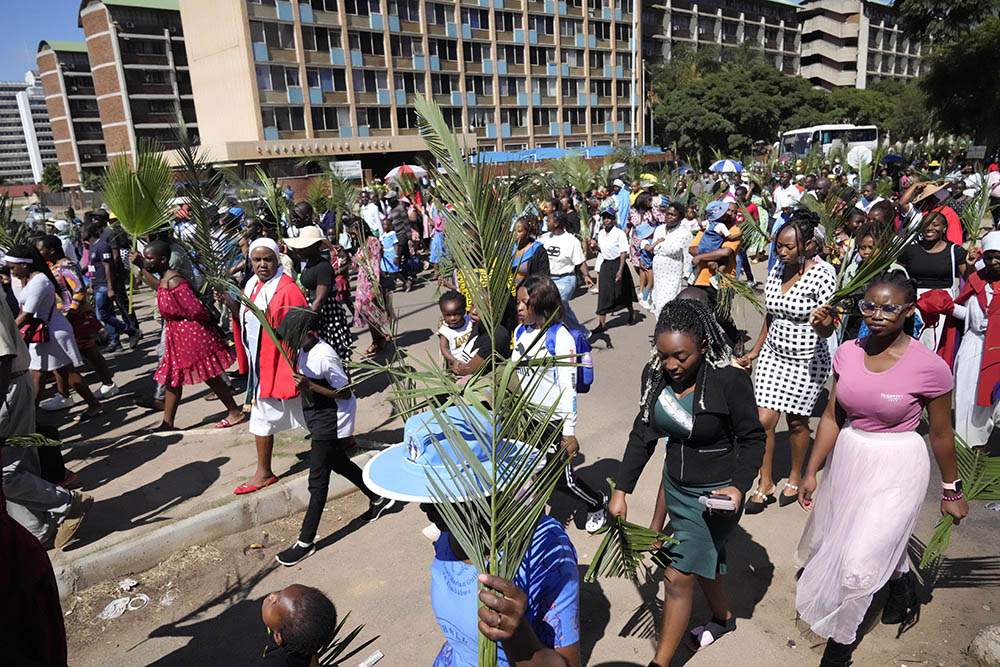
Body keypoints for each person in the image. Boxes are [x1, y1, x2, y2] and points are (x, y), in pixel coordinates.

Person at [795, 271, 968, 667]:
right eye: (868, 305)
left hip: (899, 465)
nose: (877, 314)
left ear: (909, 310)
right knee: (863, 540)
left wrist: (951, 490)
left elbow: (941, 434)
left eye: (889, 307)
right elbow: (833, 416)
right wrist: (811, 470)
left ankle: (840, 645)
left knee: (857, 563)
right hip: (852, 457)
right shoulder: (848, 352)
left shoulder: (930, 367)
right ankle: (902, 584)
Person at [609, 298, 765, 666]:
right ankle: (723, 620)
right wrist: (621, 492)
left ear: (704, 347)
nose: (672, 366)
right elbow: (642, 436)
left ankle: (659, 663)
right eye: (663, 356)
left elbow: (753, 438)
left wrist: (740, 486)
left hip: (715, 498)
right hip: (676, 487)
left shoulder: (729, 379)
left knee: (677, 577)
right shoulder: (655, 377)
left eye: (681, 356)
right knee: (700, 562)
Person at [362, 416, 582, 666]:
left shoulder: (545, 546)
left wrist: (517, 636)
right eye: (424, 492)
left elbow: (568, 662)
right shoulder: (449, 533)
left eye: (440, 496)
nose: (423, 506)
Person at [273, 311, 395, 566]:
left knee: (317, 483)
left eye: (291, 335)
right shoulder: (303, 349)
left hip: (331, 417)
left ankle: (305, 542)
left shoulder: (324, 355)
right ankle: (379, 496)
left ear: (307, 333)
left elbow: (345, 391)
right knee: (338, 462)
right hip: (317, 414)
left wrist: (310, 387)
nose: (288, 341)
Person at [738, 214, 836, 513]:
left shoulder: (824, 274)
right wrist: (755, 350)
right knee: (763, 421)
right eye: (778, 246)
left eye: (788, 247)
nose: (781, 252)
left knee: (796, 422)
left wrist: (822, 323)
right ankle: (765, 482)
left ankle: (794, 476)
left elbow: (829, 328)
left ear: (808, 245)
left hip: (806, 359)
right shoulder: (778, 268)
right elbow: (773, 314)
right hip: (773, 354)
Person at [513, 275, 607, 533]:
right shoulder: (520, 331)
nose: (519, 308)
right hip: (528, 417)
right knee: (530, 471)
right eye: (518, 302)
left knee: (562, 481)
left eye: (525, 302)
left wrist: (568, 432)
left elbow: (568, 389)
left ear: (542, 304)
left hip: (553, 421)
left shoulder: (559, 337)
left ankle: (597, 501)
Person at [217, 238, 309, 495]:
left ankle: (339, 442)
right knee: (263, 416)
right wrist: (229, 302)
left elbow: (301, 328)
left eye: (267, 259)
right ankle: (264, 471)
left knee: (309, 409)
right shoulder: (252, 284)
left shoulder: (287, 289)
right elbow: (247, 320)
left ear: (277, 259)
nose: (261, 265)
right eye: (256, 260)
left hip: (283, 363)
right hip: (263, 367)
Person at [130, 241, 244, 432]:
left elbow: (196, 310)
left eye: (150, 258)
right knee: (173, 378)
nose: (147, 260)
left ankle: (234, 412)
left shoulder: (176, 281)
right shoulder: (166, 279)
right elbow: (158, 288)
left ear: (163, 260)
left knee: (209, 376)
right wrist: (142, 268)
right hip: (177, 336)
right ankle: (167, 423)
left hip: (191, 335)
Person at [6, 245, 104, 423]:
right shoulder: (32, 279)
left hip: (53, 332)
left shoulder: (39, 281)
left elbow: (27, 313)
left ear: (25, 265)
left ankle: (31, 416)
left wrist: (8, 333)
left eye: (13, 267)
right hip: (45, 332)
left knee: (54, 372)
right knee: (45, 372)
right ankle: (91, 404)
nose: (11, 272)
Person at [36, 235, 118, 406]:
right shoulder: (54, 266)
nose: (38, 253)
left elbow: (79, 289)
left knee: (87, 352)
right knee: (72, 355)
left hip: (73, 317)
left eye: (40, 250)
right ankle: (65, 393)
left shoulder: (66, 265)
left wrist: (71, 312)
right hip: (64, 316)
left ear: (51, 250)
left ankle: (106, 385)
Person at [949, 231, 1000, 450]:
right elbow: (967, 314)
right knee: (967, 392)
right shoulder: (976, 280)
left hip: (996, 346)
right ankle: (970, 444)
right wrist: (947, 307)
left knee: (991, 395)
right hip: (975, 342)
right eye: (989, 256)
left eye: (998, 256)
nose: (993, 261)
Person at [898, 211, 968, 351]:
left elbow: (969, 278)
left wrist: (971, 264)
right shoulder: (909, 251)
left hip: (944, 306)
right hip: (916, 305)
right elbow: (899, 275)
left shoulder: (955, 251)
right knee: (915, 346)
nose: (929, 228)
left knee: (940, 346)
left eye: (935, 225)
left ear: (944, 228)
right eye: (926, 225)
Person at [283, 227, 354, 364]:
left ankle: (346, 384)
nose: (300, 250)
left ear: (315, 246)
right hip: (315, 313)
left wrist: (303, 320)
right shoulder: (309, 264)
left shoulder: (323, 267)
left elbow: (320, 299)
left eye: (304, 246)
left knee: (334, 355)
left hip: (327, 315)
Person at [81, 221, 139, 352]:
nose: (80, 234)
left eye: (82, 231)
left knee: (102, 315)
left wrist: (110, 287)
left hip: (103, 285)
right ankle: (115, 341)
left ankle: (131, 331)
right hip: (96, 285)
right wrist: (88, 282)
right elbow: (92, 267)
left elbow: (108, 267)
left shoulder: (102, 246)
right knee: (108, 313)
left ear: (88, 232)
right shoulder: (91, 247)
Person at [260, 584, 339, 666]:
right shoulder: (304, 641)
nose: (272, 594)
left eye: (274, 603)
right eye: (280, 592)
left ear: (277, 636)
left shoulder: (275, 662)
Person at [541, 210, 593, 333]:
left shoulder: (571, 241)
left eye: (548, 220)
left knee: (558, 303)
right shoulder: (544, 238)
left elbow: (580, 261)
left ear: (556, 223)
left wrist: (586, 275)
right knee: (562, 307)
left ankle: (558, 331)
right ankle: (580, 332)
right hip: (550, 279)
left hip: (566, 278)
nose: (546, 223)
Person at [590, 210, 638, 334]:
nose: (606, 220)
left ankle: (631, 313)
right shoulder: (600, 233)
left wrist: (620, 270)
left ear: (613, 219)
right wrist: (596, 247)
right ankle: (601, 324)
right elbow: (603, 250)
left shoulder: (619, 233)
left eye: (609, 218)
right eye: (604, 218)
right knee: (604, 294)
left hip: (618, 264)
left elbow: (623, 252)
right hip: (606, 264)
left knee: (622, 291)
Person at [647, 202, 691, 317]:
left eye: (673, 215)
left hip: (672, 274)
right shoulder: (659, 229)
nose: (669, 217)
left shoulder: (684, 234)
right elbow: (653, 248)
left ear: (680, 217)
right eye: (667, 214)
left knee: (666, 305)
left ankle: (667, 330)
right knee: (657, 303)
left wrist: (688, 275)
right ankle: (660, 332)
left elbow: (687, 257)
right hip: (658, 274)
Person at [511, 216, 550, 286]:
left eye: (519, 231)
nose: (515, 234)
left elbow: (543, 277)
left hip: (528, 291)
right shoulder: (508, 248)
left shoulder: (538, 251)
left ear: (528, 232)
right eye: (514, 230)